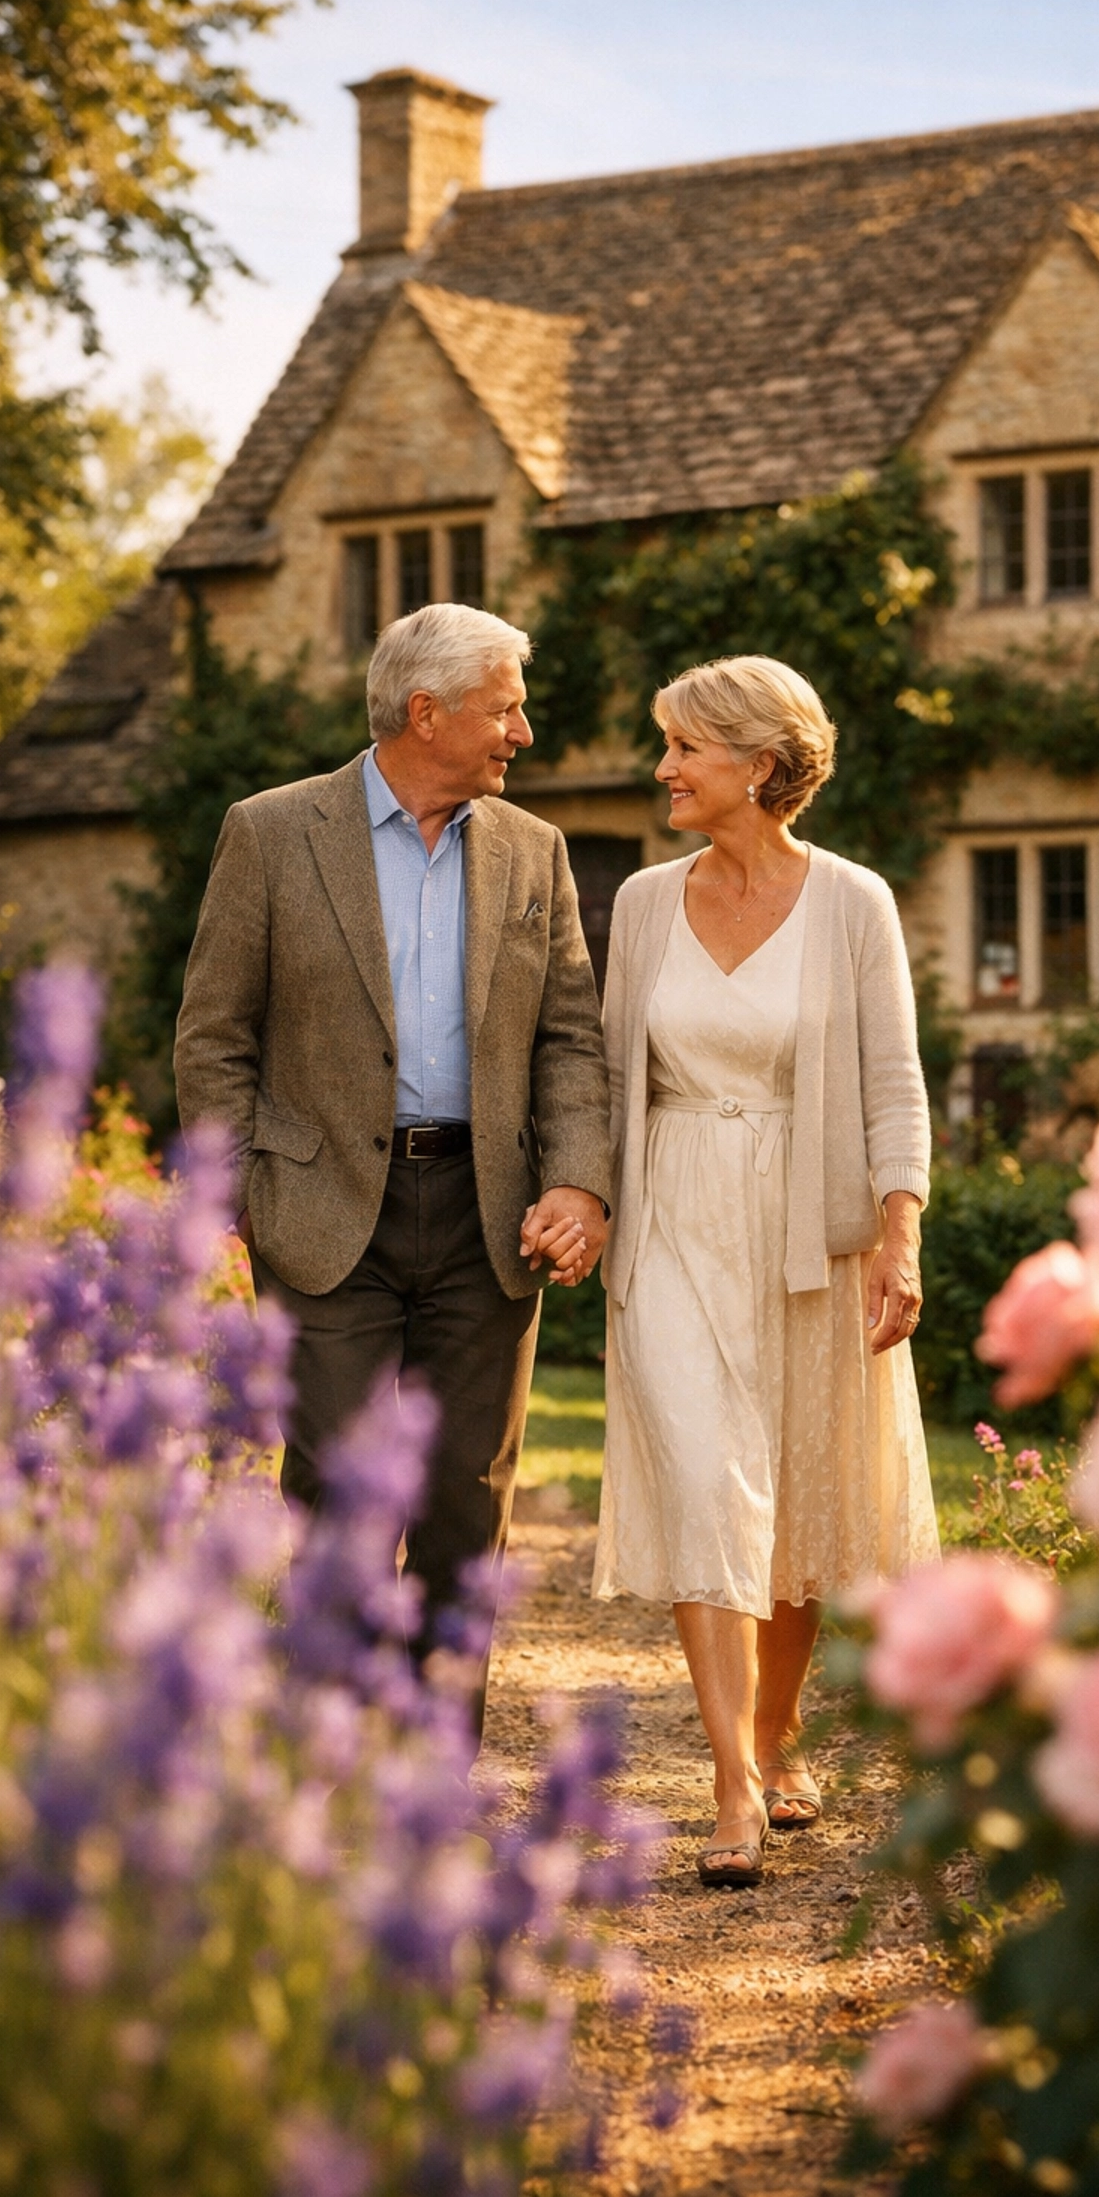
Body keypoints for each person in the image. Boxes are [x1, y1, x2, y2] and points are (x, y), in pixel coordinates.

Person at [174, 602, 610, 1712]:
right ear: (428, 713)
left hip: (488, 1214)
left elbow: (567, 1035)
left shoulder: (535, 850)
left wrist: (577, 1179)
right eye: (504, 709)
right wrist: (244, 1204)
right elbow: (213, 1034)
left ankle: (430, 1783)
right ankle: (329, 1770)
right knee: (337, 1496)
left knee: (469, 1501)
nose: (522, 733)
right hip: (322, 1212)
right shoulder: (271, 832)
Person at [594, 654, 939, 1886]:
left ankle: (780, 1735)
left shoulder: (854, 903)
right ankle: (735, 1783)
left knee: (789, 1487)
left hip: (810, 1228)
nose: (664, 768)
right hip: (674, 1212)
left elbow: (895, 1082)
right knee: (706, 1475)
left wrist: (900, 1232)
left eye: (684, 747)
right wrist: (585, 1196)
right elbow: (599, 1074)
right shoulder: (639, 903)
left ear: (758, 763)